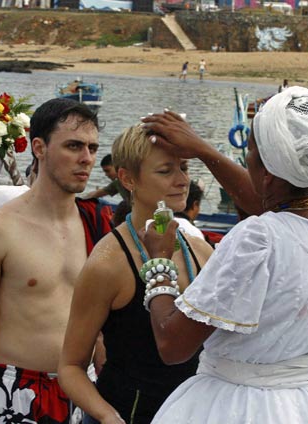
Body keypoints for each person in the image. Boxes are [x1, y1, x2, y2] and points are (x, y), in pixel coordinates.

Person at [137, 86, 308, 423]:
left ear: (266, 173)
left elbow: (172, 345)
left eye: (249, 151)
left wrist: (158, 261)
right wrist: (202, 150)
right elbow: (277, 211)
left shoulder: (258, 238)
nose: (245, 158)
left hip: (248, 408)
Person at [0, 98, 113, 424]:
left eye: (93, 148)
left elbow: (103, 323)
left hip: (80, 389)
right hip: (13, 388)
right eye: (73, 146)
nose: (87, 159)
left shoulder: (96, 223)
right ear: (39, 147)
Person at [58, 125, 214, 424]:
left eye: (183, 168)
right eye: (166, 171)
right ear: (128, 179)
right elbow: (70, 367)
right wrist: (107, 416)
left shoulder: (201, 251)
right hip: (126, 413)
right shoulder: (107, 264)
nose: (182, 181)